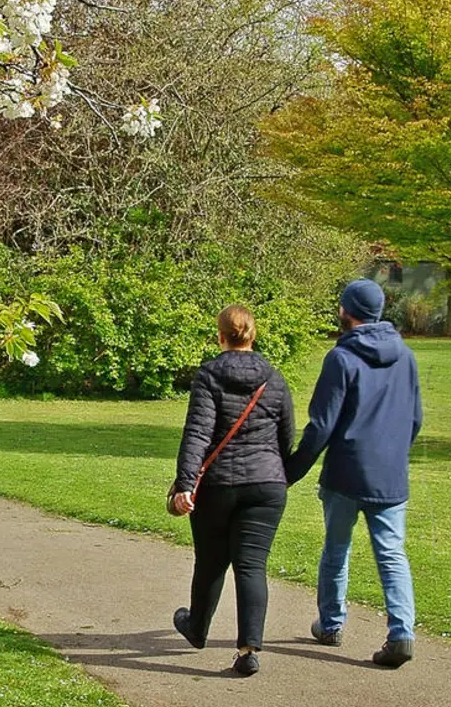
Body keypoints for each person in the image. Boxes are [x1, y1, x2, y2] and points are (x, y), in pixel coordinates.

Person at [286, 279, 423, 668]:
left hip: (346, 470)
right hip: (390, 475)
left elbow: (321, 424)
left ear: (347, 312)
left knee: (336, 548)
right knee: (392, 553)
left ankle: (331, 624)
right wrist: (395, 452)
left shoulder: (341, 358)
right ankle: (402, 632)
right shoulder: (406, 356)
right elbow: (415, 419)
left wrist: (291, 470)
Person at [168, 305, 296, 677]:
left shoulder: (209, 375)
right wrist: (278, 473)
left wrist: (185, 484)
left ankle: (197, 628)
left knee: (210, 561)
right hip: (267, 484)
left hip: (219, 485)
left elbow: (198, 434)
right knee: (251, 566)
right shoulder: (274, 377)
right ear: (252, 335)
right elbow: (287, 435)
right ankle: (248, 649)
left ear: (220, 336)